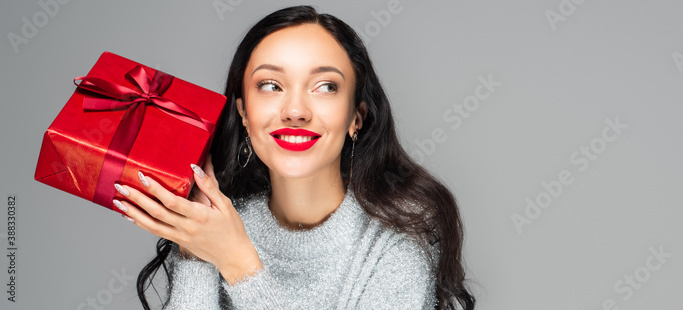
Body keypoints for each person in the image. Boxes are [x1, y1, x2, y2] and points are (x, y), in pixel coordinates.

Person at [112, 5, 475, 309]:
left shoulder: (396, 242)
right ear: (243, 112)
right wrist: (195, 246)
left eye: (325, 87)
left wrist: (239, 264)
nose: (296, 110)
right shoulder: (216, 225)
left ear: (356, 117)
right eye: (270, 85)